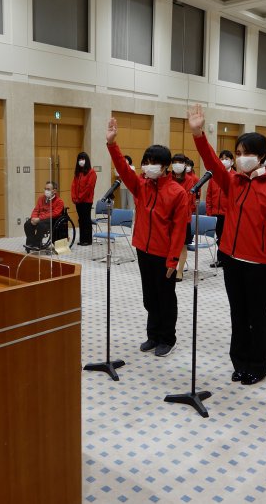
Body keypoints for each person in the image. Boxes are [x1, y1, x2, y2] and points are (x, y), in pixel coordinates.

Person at [190, 104, 266, 386]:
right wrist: (198, 133)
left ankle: (258, 364)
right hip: (231, 259)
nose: (241, 159)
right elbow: (213, 163)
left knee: (257, 316)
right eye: (238, 154)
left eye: (247, 154)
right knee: (238, 315)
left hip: (259, 265)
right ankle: (239, 362)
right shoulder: (234, 182)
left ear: (263, 156)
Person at [106, 117, 188, 358]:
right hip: (143, 249)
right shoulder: (141, 185)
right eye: (147, 162)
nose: (149, 166)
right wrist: (112, 144)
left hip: (164, 254)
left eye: (155, 163)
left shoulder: (177, 193)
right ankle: (152, 335)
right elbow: (123, 169)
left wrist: (174, 260)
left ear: (165, 167)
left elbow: (178, 230)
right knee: (149, 296)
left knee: (165, 297)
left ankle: (167, 337)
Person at [206, 150, 234, 268]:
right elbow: (209, 195)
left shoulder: (234, 176)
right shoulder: (214, 177)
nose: (224, 161)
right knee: (219, 237)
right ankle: (222, 258)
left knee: (226, 238)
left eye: (226, 158)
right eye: (221, 158)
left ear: (232, 161)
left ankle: (226, 259)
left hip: (227, 213)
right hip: (215, 213)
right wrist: (209, 211)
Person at [170, 153, 195, 281]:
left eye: (180, 162)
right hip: (169, 217)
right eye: (175, 162)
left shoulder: (189, 179)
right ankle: (171, 268)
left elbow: (186, 198)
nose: (177, 164)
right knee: (170, 244)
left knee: (182, 246)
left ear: (185, 164)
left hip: (184, 218)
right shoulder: (169, 177)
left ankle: (180, 271)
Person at [24, 180, 64, 249]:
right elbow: (36, 209)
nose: (46, 191)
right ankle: (30, 243)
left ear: (54, 191)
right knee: (27, 224)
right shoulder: (41, 198)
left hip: (51, 220)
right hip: (39, 218)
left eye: (48, 189)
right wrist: (33, 218)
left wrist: (39, 219)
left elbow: (54, 214)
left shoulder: (59, 201)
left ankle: (37, 244)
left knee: (40, 225)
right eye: (45, 189)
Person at [71, 152, 97, 246]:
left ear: (86, 160)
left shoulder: (91, 172)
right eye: (79, 159)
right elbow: (73, 185)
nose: (81, 161)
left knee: (86, 219)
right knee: (81, 220)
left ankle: (88, 240)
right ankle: (82, 239)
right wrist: (74, 197)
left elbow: (89, 187)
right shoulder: (78, 173)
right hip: (78, 201)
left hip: (86, 201)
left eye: (83, 159)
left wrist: (80, 198)